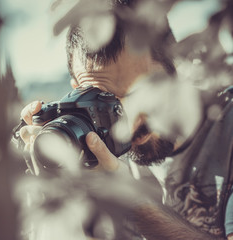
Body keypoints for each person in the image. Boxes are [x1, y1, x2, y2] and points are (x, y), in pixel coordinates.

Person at [18, 0, 233, 239]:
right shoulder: (89, 153)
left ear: (177, 72)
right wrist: (56, 196)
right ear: (78, 91)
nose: (128, 124)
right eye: (106, 103)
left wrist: (130, 202)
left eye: (140, 94)